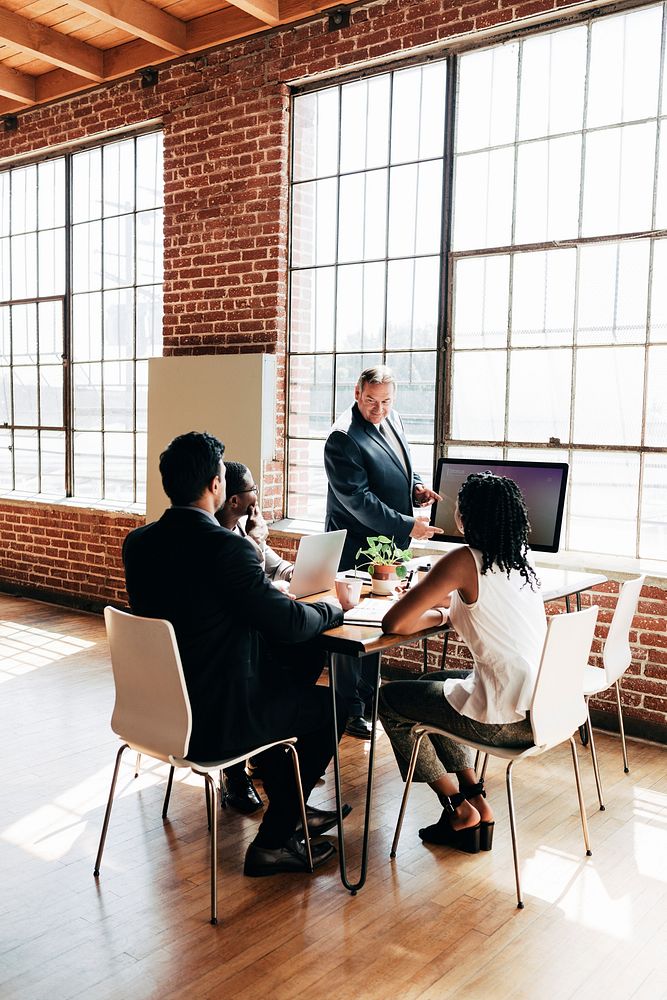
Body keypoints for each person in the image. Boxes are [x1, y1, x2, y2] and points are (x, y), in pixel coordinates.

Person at [123, 431, 354, 877]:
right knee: (330, 707)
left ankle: (293, 810)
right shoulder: (227, 548)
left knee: (287, 682)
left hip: (159, 712)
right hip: (216, 718)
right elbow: (287, 623)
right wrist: (334, 608)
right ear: (215, 486)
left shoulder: (139, 543)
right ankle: (273, 840)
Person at [378, 472, 547, 854]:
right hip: (539, 707)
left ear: (464, 518)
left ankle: (457, 809)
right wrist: (443, 613)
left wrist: (434, 610)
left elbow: (394, 623)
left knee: (389, 701)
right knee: (432, 682)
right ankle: (476, 800)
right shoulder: (519, 556)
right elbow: (475, 607)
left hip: (505, 721)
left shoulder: (462, 560)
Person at [324, 365, 443, 738]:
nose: (379, 409)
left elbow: (403, 470)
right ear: (357, 393)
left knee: (381, 623)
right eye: (372, 401)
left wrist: (418, 489)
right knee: (350, 631)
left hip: (389, 547)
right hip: (355, 548)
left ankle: (371, 701)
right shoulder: (342, 439)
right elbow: (359, 501)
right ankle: (348, 710)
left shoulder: (394, 420)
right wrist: (410, 524)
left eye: (386, 401)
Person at [215, 460, 295, 815]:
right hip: (222, 667)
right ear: (233, 499)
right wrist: (256, 542)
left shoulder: (242, 532)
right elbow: (252, 589)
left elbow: (276, 567)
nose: (256, 497)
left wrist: (302, 574)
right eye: (253, 491)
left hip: (247, 644)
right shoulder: (221, 543)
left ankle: (265, 758)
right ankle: (239, 772)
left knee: (296, 660)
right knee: (295, 679)